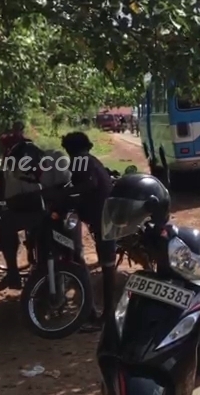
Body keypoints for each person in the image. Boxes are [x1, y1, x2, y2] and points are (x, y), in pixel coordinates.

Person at [0, 140, 70, 292]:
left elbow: (67, 190)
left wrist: (42, 195)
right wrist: (37, 198)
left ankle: (79, 281)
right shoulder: (14, 171)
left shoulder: (58, 159)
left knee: (74, 247)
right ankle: (12, 271)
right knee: (6, 221)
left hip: (63, 210)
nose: (30, 175)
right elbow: (13, 201)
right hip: (35, 210)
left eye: (32, 170)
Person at [61, 131, 117, 331]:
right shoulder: (89, 159)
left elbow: (89, 184)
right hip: (103, 215)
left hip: (103, 217)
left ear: (70, 149)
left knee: (108, 264)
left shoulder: (80, 160)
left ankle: (107, 315)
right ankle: (100, 313)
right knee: (107, 263)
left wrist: (63, 193)